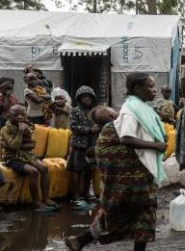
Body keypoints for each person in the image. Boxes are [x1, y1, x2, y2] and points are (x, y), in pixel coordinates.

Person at [65, 73, 167, 251]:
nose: (155, 89)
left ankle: (81, 240)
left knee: (134, 213)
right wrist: (157, 145)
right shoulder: (125, 116)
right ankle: (81, 240)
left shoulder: (135, 111)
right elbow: (125, 140)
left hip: (134, 178)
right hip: (132, 179)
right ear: (137, 89)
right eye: (151, 86)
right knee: (134, 212)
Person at [0, 105, 56, 210]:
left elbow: (32, 144)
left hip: (28, 156)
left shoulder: (28, 126)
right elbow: (14, 146)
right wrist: (20, 132)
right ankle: (35, 201)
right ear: (9, 116)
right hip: (12, 158)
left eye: (23, 114)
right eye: (16, 115)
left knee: (44, 168)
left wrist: (11, 144)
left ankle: (46, 198)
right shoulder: (5, 129)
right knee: (33, 171)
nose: (20, 117)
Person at [68, 86, 100, 210]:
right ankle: (76, 196)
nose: (87, 99)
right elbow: (73, 127)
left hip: (91, 145)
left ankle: (86, 194)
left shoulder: (95, 111)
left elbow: (99, 124)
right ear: (79, 98)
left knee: (89, 170)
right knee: (77, 170)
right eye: (84, 97)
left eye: (89, 97)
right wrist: (89, 129)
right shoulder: (75, 111)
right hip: (79, 144)